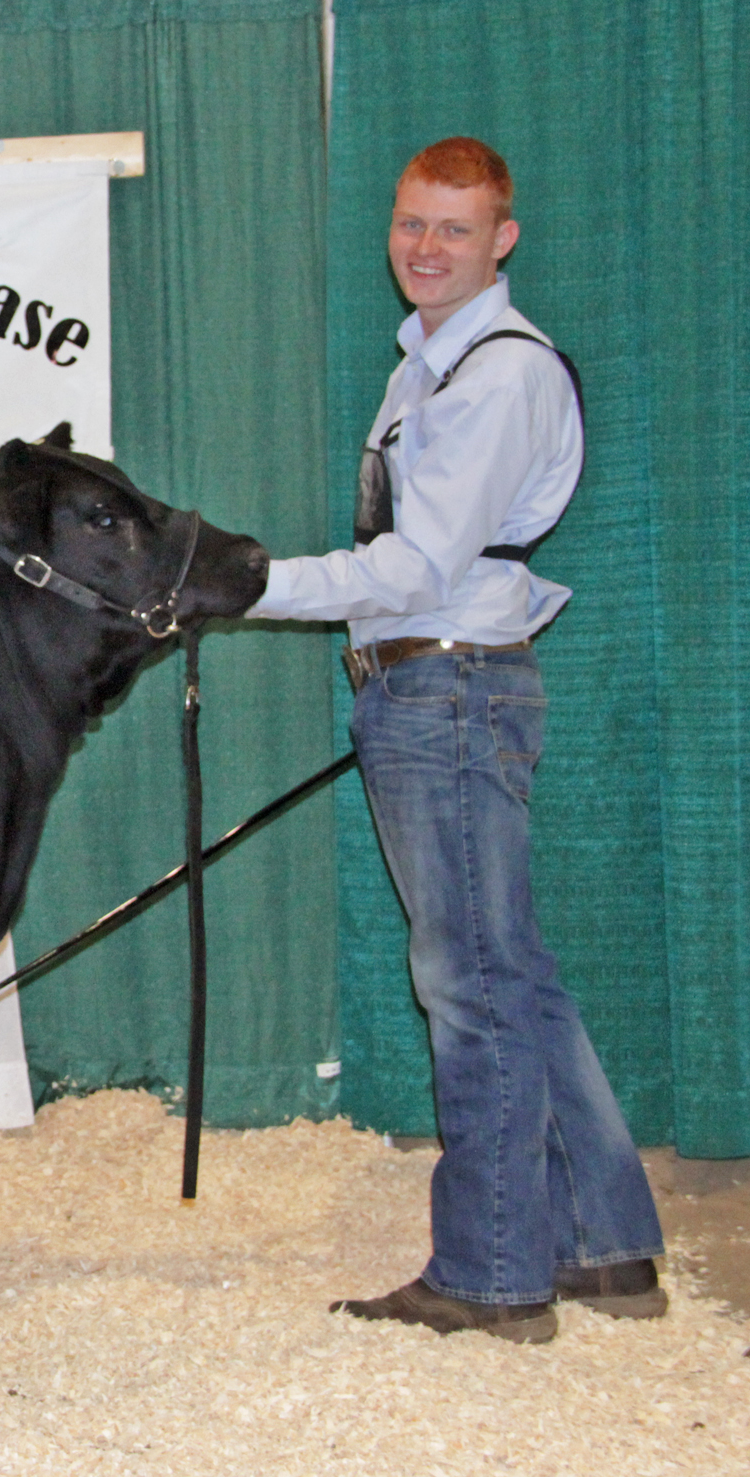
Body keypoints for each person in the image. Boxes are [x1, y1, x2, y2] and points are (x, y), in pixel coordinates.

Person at [248, 137, 665, 1342]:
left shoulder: (495, 375)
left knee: (471, 981)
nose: (425, 248)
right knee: (508, 969)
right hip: (435, 684)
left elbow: (418, 565)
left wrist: (251, 583)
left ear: (502, 239)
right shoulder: (429, 366)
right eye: (411, 223)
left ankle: (491, 1275)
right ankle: (604, 1243)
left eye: (454, 228)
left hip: (450, 686)